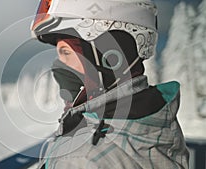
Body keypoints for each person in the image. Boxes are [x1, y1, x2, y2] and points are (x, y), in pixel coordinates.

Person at [31, 0, 189, 168]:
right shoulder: (155, 120)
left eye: (66, 53)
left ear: (109, 56)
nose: (58, 65)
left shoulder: (79, 159)